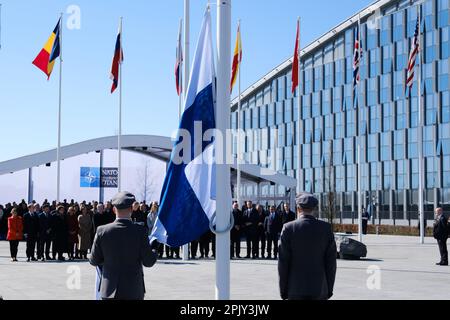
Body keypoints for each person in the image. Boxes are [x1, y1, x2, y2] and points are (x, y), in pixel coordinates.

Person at [89, 191, 158, 300]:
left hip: (109, 290)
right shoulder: (140, 231)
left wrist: (108, 260)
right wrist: (154, 249)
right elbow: (148, 262)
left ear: (114, 210)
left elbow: (93, 260)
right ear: (131, 209)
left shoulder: (102, 231)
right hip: (133, 290)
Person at [278, 193, 337, 300]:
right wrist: (329, 289)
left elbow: (283, 263)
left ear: (298, 208)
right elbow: (331, 263)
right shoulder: (326, 228)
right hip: (319, 289)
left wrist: (283, 290)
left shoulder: (288, 228)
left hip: (295, 288)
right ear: (314, 208)